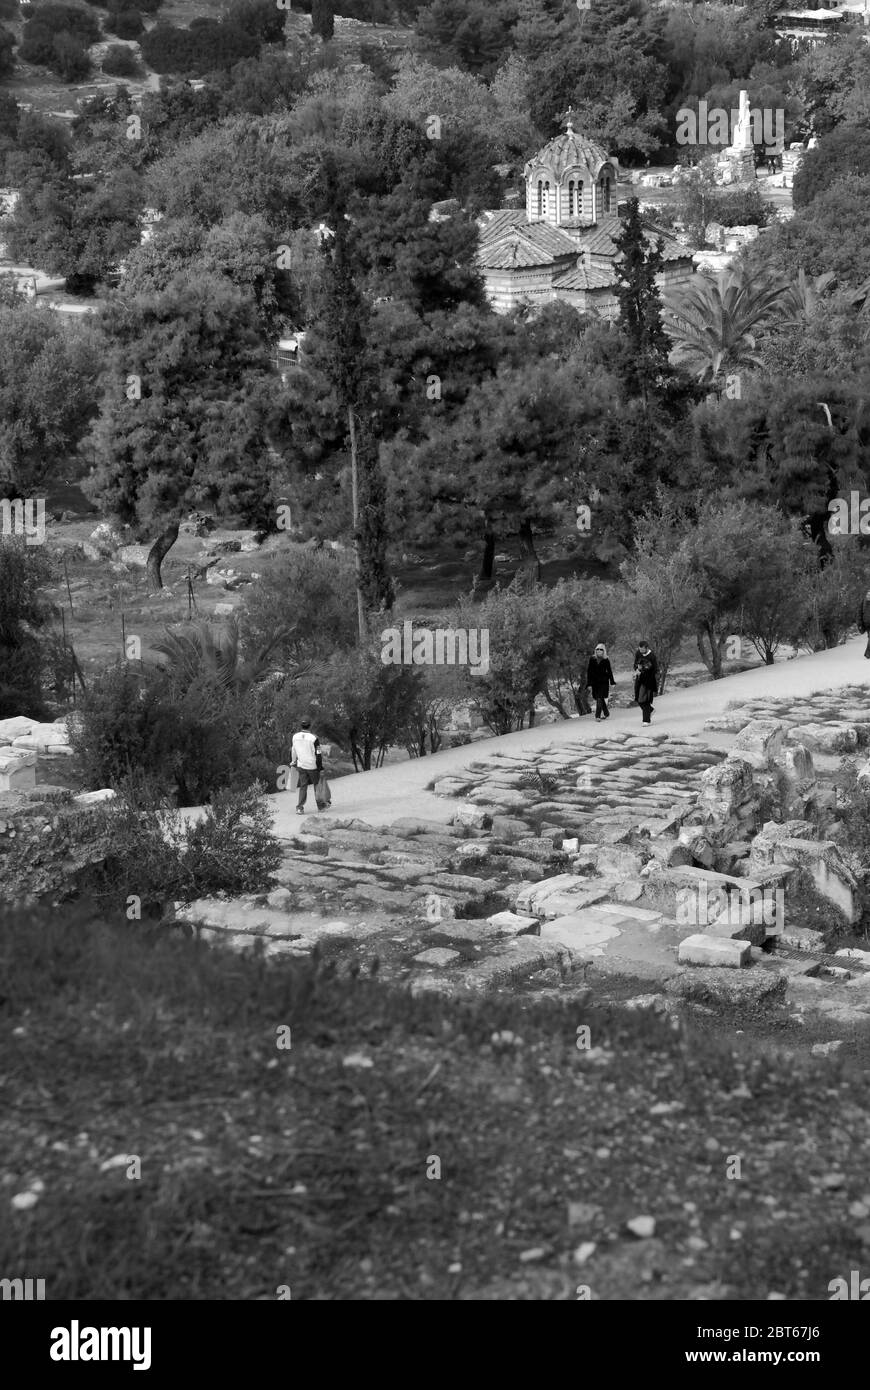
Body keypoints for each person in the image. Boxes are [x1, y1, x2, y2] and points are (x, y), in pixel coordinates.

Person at [291, 718, 323, 814]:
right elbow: (318, 753)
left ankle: (299, 808)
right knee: (317, 785)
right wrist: (320, 767)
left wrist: (293, 761)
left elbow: (293, 750)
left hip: (301, 765)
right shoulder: (314, 738)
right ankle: (320, 806)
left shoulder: (295, 737)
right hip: (312, 766)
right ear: (310, 726)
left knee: (303, 786)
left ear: (301, 726)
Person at [586, 643, 616, 721]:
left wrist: (612, 682)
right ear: (596, 650)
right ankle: (606, 713)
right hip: (595, 683)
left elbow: (609, 671)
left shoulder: (606, 660)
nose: (599, 650)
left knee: (599, 698)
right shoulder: (592, 659)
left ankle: (597, 716)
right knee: (599, 698)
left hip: (603, 682)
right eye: (597, 649)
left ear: (604, 651)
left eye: (601, 649)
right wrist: (589, 684)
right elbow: (589, 671)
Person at [633, 640, 659, 724]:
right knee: (638, 699)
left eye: (642, 650)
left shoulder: (652, 656)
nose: (641, 651)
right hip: (639, 679)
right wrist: (637, 669)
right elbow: (635, 664)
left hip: (648, 681)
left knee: (645, 700)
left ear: (646, 648)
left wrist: (644, 670)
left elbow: (654, 669)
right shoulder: (638, 653)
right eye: (639, 649)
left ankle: (646, 720)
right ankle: (650, 710)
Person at [858, 587, 870, 658]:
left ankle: (868, 653)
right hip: (867, 623)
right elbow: (859, 613)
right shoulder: (863, 602)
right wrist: (860, 623)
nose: (869, 596)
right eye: (868, 594)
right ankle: (867, 653)